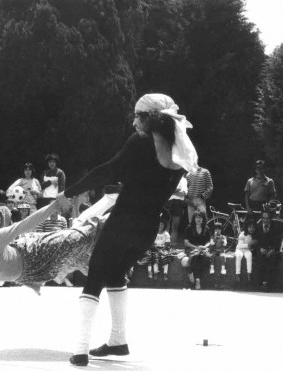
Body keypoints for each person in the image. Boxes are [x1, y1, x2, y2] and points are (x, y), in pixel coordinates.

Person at [55, 93, 197, 366]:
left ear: (148, 118)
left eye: (136, 116)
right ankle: (118, 341)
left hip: (123, 222)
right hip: (147, 229)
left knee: (95, 275)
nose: (133, 122)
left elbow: (108, 170)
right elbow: (155, 185)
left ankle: (80, 350)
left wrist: (70, 193)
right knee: (116, 273)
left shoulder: (141, 142)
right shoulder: (180, 151)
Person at [252, 209, 282, 291]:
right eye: (264, 218)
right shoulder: (257, 227)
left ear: (270, 218)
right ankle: (260, 283)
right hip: (261, 249)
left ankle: (268, 284)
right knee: (260, 260)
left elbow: (278, 241)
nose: (265, 220)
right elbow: (255, 241)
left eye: (267, 218)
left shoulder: (275, 227)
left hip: (272, 250)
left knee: (272, 260)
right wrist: (260, 249)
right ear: (261, 218)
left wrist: (272, 250)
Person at [183, 211, 212, 290]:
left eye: (200, 218)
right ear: (194, 219)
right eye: (197, 218)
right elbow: (186, 242)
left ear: (203, 219)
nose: (198, 219)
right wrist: (195, 247)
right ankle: (198, 280)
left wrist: (204, 246)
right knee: (195, 257)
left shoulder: (207, 228)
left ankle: (190, 271)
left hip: (202, 248)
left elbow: (209, 242)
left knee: (205, 258)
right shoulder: (189, 228)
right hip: (191, 248)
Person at [164, 175, 187, 244]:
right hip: (168, 202)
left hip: (178, 203)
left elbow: (183, 194)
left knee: (175, 226)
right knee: (166, 224)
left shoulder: (183, 180)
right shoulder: (171, 178)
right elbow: (166, 191)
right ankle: (164, 244)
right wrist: (177, 191)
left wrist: (173, 191)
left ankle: (173, 245)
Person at [209, 222, 228, 289]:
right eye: (216, 229)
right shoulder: (213, 236)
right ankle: (211, 267)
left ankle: (223, 268)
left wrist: (223, 241)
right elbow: (211, 243)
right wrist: (214, 238)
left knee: (222, 256)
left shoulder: (223, 237)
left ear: (221, 230)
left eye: (219, 229)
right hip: (214, 250)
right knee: (212, 255)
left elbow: (225, 244)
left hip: (221, 250)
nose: (217, 231)